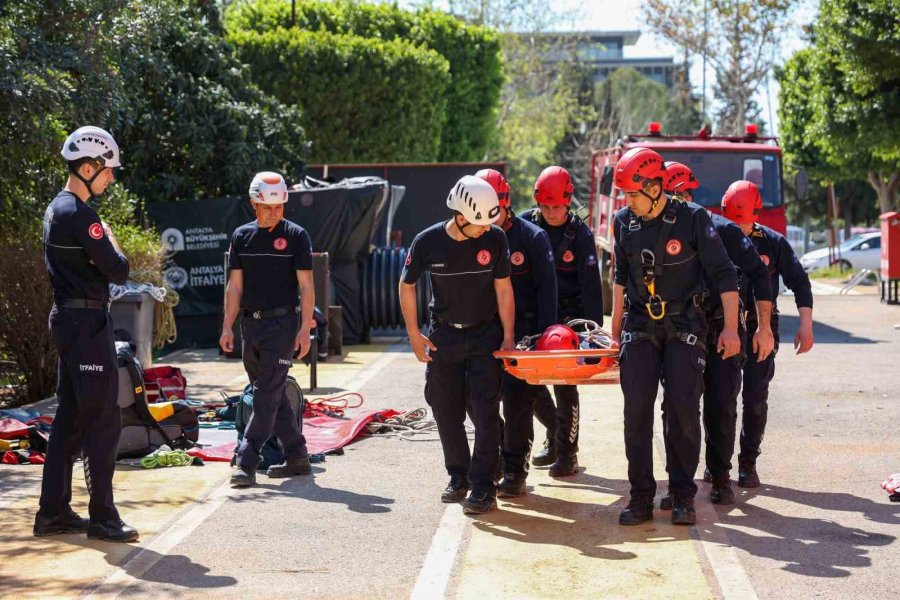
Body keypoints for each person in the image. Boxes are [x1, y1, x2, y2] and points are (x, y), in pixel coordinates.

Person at [610, 148, 741, 526]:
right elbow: (620, 279)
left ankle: (682, 496)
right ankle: (640, 498)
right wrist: (614, 331)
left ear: (655, 186)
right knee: (636, 414)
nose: (628, 202)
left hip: (685, 326)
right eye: (626, 196)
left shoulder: (693, 219)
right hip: (639, 326)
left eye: (633, 194)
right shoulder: (623, 222)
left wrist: (731, 328)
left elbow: (724, 275)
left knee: (682, 414)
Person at [35, 126, 137, 542]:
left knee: (72, 419)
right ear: (88, 166)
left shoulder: (56, 209)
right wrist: (110, 238)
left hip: (70, 321)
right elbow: (118, 269)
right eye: (107, 170)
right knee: (101, 420)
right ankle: (103, 517)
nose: (110, 178)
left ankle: (54, 511)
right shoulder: (79, 215)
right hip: (86, 324)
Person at [660, 162, 774, 508]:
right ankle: (679, 484)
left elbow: (760, 275)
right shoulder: (655, 232)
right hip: (680, 330)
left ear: (689, 193)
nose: (672, 201)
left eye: (677, 194)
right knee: (677, 408)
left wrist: (763, 327)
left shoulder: (722, 230)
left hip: (724, 329)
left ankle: (721, 476)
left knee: (721, 404)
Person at [399, 175, 515, 514]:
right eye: (479, 223)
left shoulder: (495, 240)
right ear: (461, 216)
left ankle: (483, 486)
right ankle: (459, 476)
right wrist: (413, 334)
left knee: (485, 411)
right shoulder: (427, 242)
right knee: (444, 408)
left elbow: (504, 289)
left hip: (485, 335)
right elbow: (406, 286)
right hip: (444, 335)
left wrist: (507, 336)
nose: (486, 229)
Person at [222, 171, 315, 488]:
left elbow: (306, 286)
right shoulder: (241, 237)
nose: (274, 213)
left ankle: (246, 461)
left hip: (282, 325)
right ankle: (297, 456)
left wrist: (304, 330)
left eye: (279, 207)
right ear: (254, 204)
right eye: (267, 207)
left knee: (264, 396)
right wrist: (228, 327)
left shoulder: (297, 236)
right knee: (271, 395)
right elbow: (234, 287)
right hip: (251, 325)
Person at [721, 180, 814, 487]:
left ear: (756, 214)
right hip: (724, 327)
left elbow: (800, 283)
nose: (739, 229)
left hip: (762, 328)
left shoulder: (773, 242)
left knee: (755, 397)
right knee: (722, 396)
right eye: (733, 221)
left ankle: (748, 463)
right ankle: (718, 462)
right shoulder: (714, 238)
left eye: (744, 222)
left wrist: (806, 325)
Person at [476, 168, 557, 498]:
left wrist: (542, 339)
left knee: (517, 404)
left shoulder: (532, 238)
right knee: (479, 402)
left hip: (524, 334)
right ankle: (493, 458)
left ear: (505, 204)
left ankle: (514, 468)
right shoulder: (472, 236)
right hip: (484, 333)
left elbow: (547, 292)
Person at [522, 166, 604, 477]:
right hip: (535, 315)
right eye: (547, 206)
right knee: (526, 381)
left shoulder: (580, 236)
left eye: (558, 206)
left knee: (565, 386)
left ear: (569, 202)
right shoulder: (526, 225)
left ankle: (567, 453)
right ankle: (556, 434)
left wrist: (594, 335)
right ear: (537, 201)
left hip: (569, 320)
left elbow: (592, 289)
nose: (553, 212)